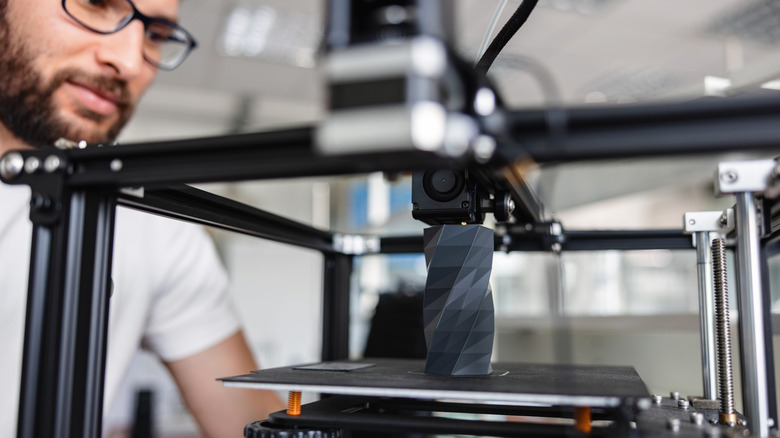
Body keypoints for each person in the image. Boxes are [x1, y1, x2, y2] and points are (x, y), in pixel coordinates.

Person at [0, 0, 285, 436]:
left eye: (154, 34)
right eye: (94, 4)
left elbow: (247, 420)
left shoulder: (153, 219)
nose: (131, 61)